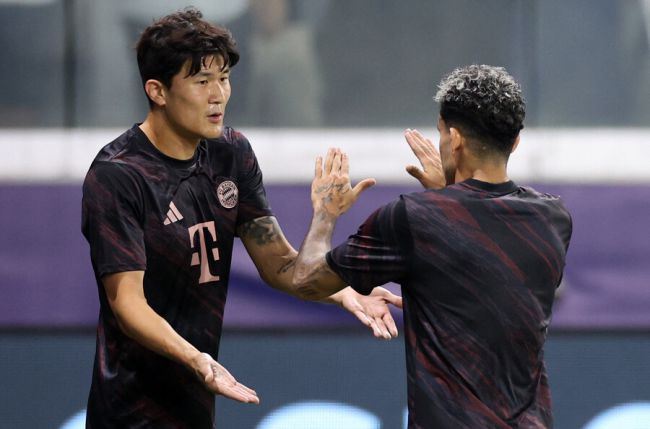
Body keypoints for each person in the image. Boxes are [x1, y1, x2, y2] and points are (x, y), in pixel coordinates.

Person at [81, 8, 401, 429]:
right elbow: (128, 304)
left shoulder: (230, 154)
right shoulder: (118, 174)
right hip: (127, 412)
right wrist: (196, 358)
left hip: (195, 404)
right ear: (157, 91)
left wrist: (343, 289)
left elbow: (281, 267)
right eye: (202, 81)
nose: (218, 95)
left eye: (224, 78)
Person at [293, 65, 573, 428]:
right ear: (516, 142)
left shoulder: (414, 218)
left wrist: (325, 214)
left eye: (441, 133)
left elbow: (306, 279)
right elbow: (486, 276)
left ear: (454, 139)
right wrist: (448, 196)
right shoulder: (554, 219)